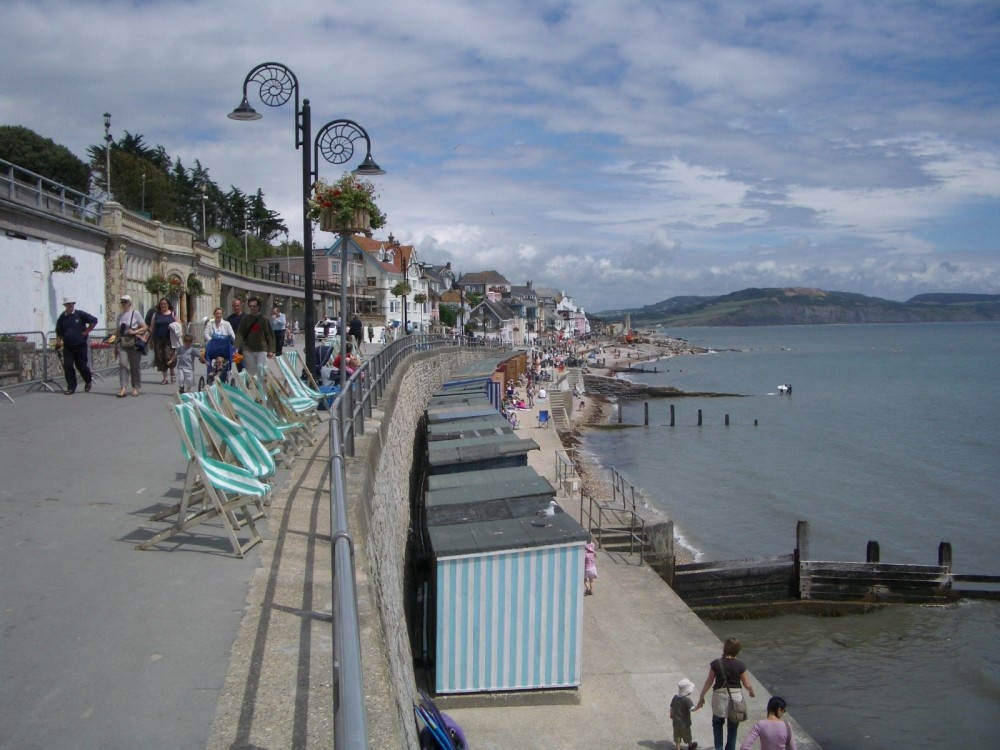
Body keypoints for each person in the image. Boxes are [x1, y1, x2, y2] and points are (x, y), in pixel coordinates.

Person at [696, 637, 755, 750]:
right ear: (737, 650)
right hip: (735, 698)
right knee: (733, 728)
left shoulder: (716, 663)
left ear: (725, 648)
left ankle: (719, 748)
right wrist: (751, 692)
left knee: (717, 724)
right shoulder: (740, 665)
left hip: (719, 696)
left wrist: (702, 696)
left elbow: (709, 682)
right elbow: (747, 684)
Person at [53, 296, 97, 394]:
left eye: (72, 303)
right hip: (68, 346)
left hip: (80, 345)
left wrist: (86, 331)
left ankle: (88, 380)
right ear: (65, 305)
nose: (71, 305)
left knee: (82, 366)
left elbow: (94, 320)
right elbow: (59, 331)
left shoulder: (80, 314)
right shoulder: (62, 317)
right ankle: (71, 387)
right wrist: (58, 342)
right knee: (68, 366)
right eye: (69, 303)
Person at [115, 294, 148, 397]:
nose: (123, 304)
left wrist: (135, 331)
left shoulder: (135, 313)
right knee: (123, 364)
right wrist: (115, 345)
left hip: (134, 342)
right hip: (123, 341)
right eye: (122, 302)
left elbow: (145, 327)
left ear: (129, 303)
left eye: (125, 302)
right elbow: (117, 331)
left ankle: (136, 387)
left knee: (135, 365)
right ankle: (123, 387)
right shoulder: (120, 316)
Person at [235, 296, 275, 379]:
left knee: (261, 369)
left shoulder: (264, 319)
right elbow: (240, 333)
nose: (252, 308)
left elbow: (269, 335)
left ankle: (262, 385)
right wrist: (236, 347)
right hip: (248, 349)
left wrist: (271, 350)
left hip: (261, 349)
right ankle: (255, 385)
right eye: (250, 306)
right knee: (251, 372)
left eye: (254, 306)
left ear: (258, 307)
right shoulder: (246, 319)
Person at [148, 297, 178, 385]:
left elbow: (179, 324)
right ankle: (165, 378)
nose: (163, 305)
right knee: (160, 358)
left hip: (169, 339)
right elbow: (152, 328)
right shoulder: (156, 314)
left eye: (165, 304)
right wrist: (150, 339)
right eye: (161, 304)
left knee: (169, 356)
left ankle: (172, 372)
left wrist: (173, 326)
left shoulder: (172, 313)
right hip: (158, 339)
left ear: (168, 305)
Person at [670, 678, 699, 750]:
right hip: (684, 723)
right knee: (687, 734)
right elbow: (692, 709)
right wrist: (699, 706)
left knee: (677, 735)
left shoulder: (675, 697)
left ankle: (678, 747)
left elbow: (671, 707)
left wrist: (671, 714)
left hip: (675, 722)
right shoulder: (687, 700)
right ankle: (690, 745)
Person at [227, 298, 245, 371]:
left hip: (245, 345)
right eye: (234, 306)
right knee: (239, 365)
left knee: (247, 365)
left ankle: (249, 377)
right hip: (235, 345)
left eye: (237, 306)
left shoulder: (246, 317)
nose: (236, 307)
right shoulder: (229, 319)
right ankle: (242, 377)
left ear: (240, 306)